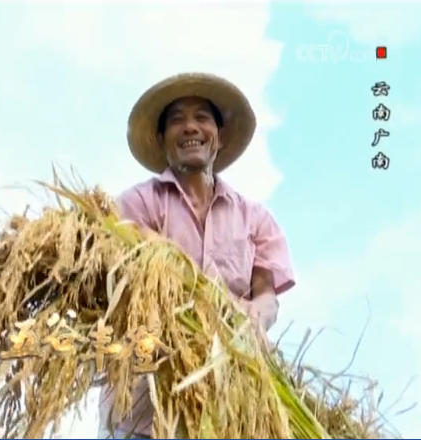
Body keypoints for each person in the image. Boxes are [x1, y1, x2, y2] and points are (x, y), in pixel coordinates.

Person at [98, 72, 296, 439]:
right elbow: (134, 285)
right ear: (162, 139)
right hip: (142, 412)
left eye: (202, 117)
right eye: (177, 120)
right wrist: (211, 307)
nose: (190, 127)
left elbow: (266, 297)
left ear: (219, 136)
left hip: (227, 410)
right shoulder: (136, 205)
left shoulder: (254, 218)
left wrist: (254, 318)